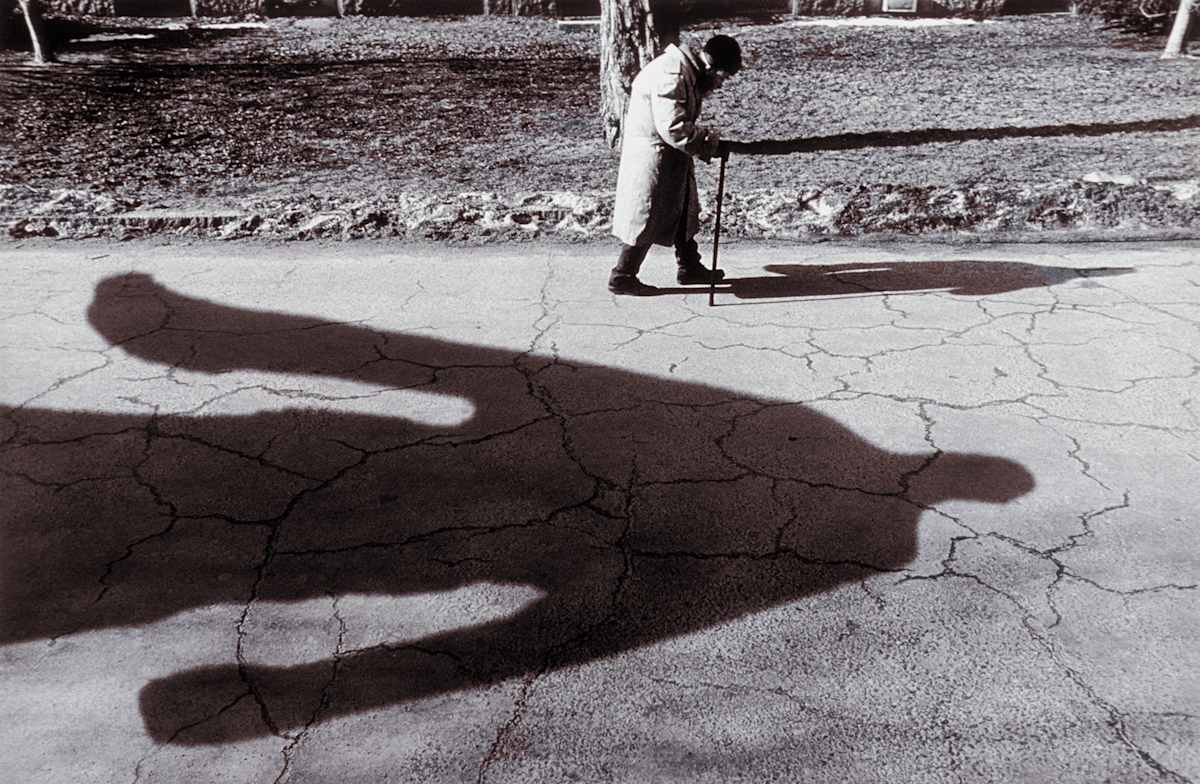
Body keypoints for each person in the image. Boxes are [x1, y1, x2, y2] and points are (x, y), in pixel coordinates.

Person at [608, 34, 743, 296]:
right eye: (723, 77)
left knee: (683, 210)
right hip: (654, 156)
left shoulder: (686, 71)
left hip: (670, 156)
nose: (721, 84)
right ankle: (622, 275)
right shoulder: (672, 73)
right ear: (712, 65)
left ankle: (689, 266)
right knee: (646, 216)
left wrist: (702, 140)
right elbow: (673, 128)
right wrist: (707, 141)